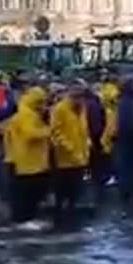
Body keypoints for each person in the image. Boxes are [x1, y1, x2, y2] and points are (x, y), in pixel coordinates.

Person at [5, 86, 52, 223]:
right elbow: (30, 134)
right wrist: (48, 131)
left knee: (29, 192)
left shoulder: (28, 112)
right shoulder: (26, 114)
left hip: (28, 160)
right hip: (24, 160)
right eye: (40, 102)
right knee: (25, 194)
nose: (43, 105)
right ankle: (23, 220)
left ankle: (27, 218)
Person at [49, 84, 90, 230]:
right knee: (62, 191)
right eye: (76, 96)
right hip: (64, 159)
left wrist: (86, 145)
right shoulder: (60, 109)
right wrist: (70, 148)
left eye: (81, 96)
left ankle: (72, 218)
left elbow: (84, 129)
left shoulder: (82, 109)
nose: (79, 100)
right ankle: (59, 220)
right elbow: (56, 132)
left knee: (75, 191)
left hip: (80, 157)